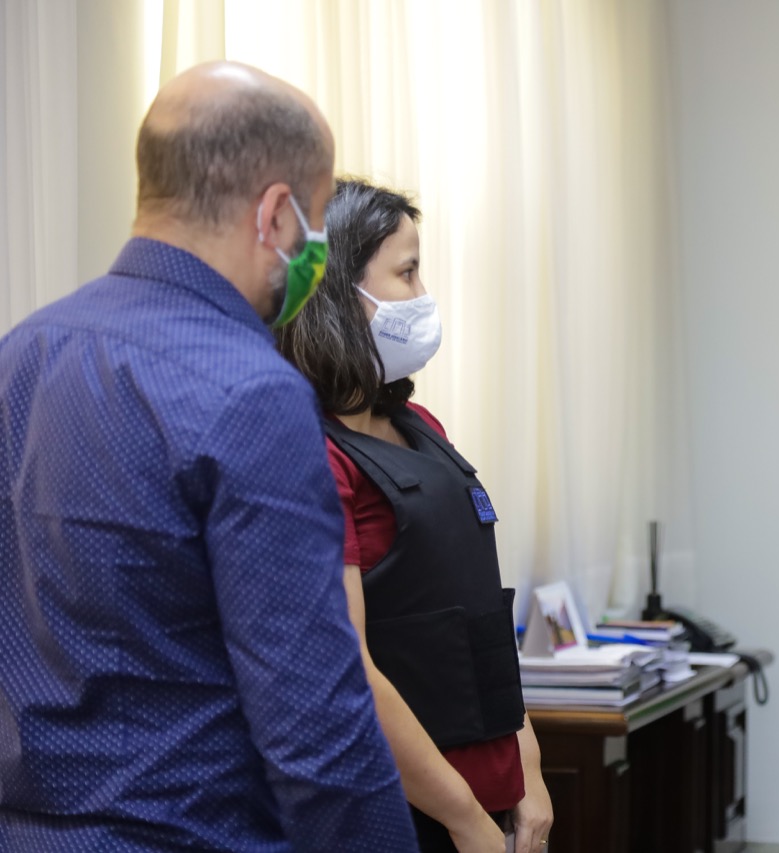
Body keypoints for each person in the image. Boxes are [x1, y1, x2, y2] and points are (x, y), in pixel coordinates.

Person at [0, 62, 420, 850]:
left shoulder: (20, 355)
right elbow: (317, 724)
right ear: (273, 214)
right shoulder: (251, 393)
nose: (316, 248)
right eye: (318, 218)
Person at [276, 178, 554, 853]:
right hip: (402, 814)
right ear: (341, 292)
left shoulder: (419, 425)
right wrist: (463, 817)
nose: (423, 293)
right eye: (407, 271)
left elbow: (480, 624)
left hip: (494, 798)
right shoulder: (312, 453)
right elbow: (350, 669)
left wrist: (530, 773)